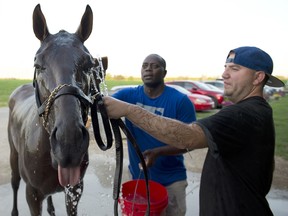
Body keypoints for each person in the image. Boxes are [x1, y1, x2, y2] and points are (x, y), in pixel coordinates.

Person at [104, 46, 285, 215]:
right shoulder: (258, 111)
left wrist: (129, 110)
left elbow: (188, 138)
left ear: (258, 77)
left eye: (235, 69)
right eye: (225, 67)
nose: (224, 74)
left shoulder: (244, 114)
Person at [112, 54, 196, 215]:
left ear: (164, 72)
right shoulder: (128, 96)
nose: (148, 69)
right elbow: (102, 104)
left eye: (154, 65)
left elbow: (190, 143)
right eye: (144, 66)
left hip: (172, 180)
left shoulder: (180, 101)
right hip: (138, 178)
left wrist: (159, 152)